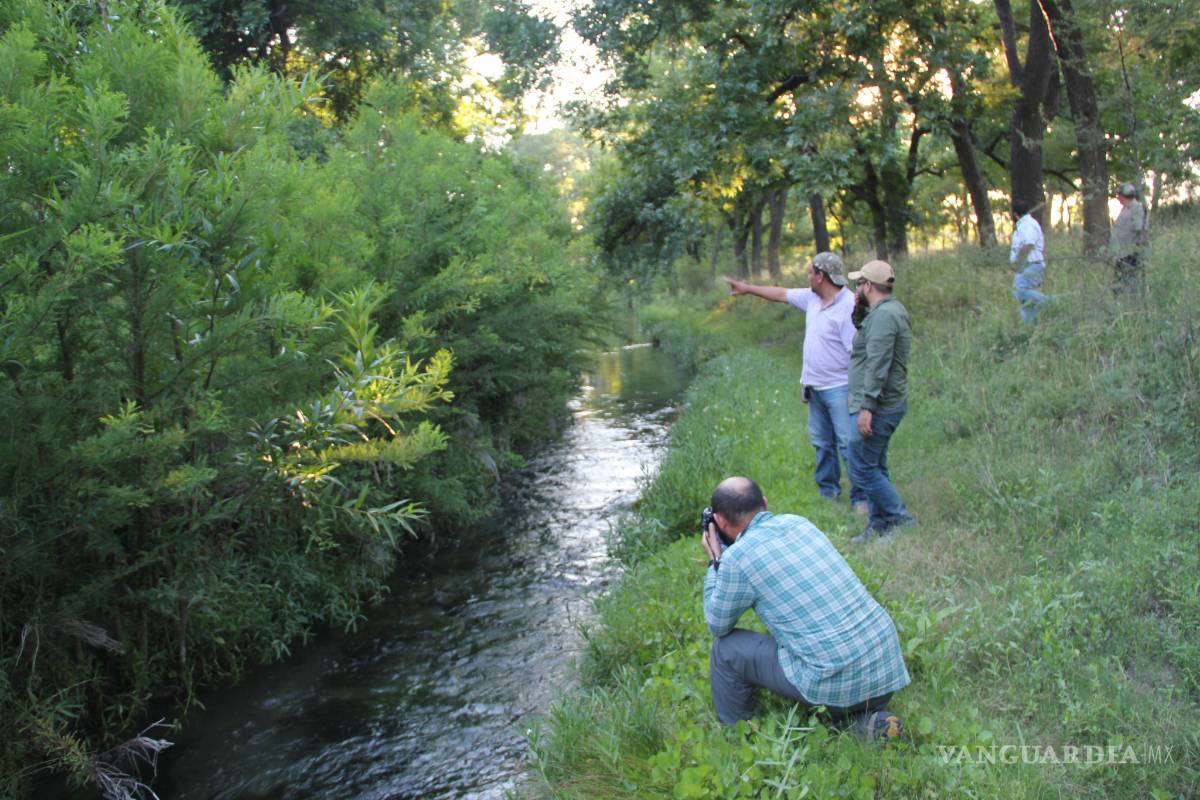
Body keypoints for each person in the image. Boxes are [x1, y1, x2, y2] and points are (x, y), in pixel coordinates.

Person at [701, 476, 909, 737]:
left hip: (833, 683)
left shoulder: (736, 559)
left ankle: (738, 732)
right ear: (764, 503)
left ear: (719, 522)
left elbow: (717, 623)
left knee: (726, 649)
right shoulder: (799, 523)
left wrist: (716, 563)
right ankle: (867, 722)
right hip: (886, 668)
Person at [723, 253, 866, 514]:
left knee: (848, 444)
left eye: (810, 272)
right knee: (822, 443)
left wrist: (860, 396)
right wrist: (747, 288)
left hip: (840, 388)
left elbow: (856, 355)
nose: (807, 276)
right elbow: (780, 294)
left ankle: (861, 498)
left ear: (821, 276)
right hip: (814, 387)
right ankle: (828, 492)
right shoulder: (812, 298)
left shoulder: (847, 306)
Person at [845, 260, 915, 543]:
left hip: (879, 405)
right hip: (879, 403)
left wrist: (867, 407)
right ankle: (879, 524)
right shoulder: (881, 313)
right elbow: (866, 336)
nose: (856, 288)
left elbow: (878, 364)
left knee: (861, 466)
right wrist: (858, 309)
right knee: (875, 465)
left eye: (859, 284)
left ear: (869, 286)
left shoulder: (885, 316)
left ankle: (901, 520)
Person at [1009, 199, 1048, 323]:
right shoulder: (1023, 225)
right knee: (1026, 302)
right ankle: (1029, 327)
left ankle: (1052, 302)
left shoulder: (1027, 225)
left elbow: (1028, 245)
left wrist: (1017, 262)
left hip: (1031, 264)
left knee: (1020, 290)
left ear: (1015, 214)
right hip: (1026, 266)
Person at [1110, 182, 1149, 294]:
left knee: (1129, 283)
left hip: (1130, 254)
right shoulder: (1126, 209)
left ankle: (1131, 302)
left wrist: (1140, 250)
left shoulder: (1136, 208)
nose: (1118, 198)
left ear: (1124, 195)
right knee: (1118, 285)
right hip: (1122, 253)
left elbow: (1141, 230)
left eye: (1119, 195)